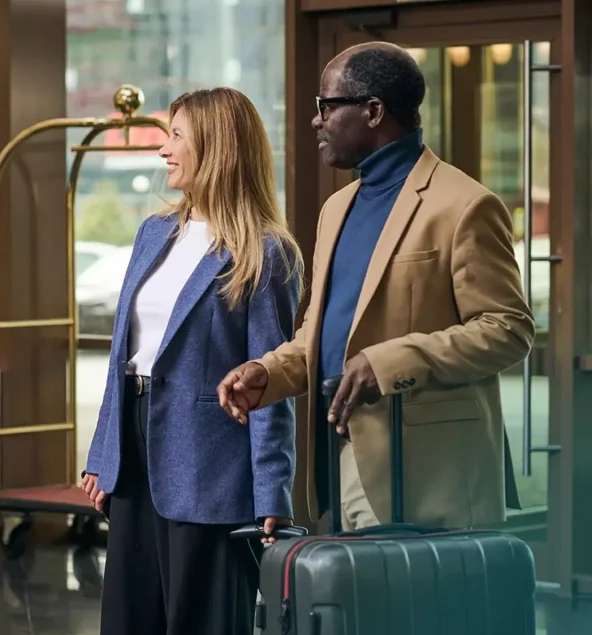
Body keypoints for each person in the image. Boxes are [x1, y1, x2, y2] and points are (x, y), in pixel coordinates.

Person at [218, 42, 534, 532]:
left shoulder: (466, 205)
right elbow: (323, 333)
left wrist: (390, 363)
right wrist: (269, 372)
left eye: (327, 105)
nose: (316, 120)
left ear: (372, 111)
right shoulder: (336, 209)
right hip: (335, 465)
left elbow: (508, 330)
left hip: (429, 477)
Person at [81, 87, 303, 635]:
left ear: (217, 147)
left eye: (177, 136)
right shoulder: (152, 233)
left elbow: (271, 380)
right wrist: (103, 454)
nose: (164, 149)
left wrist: (272, 491)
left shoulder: (264, 252)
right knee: (128, 618)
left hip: (210, 468)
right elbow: (123, 354)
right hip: (135, 454)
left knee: (201, 620)